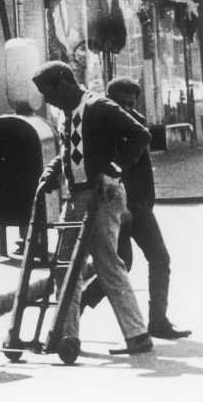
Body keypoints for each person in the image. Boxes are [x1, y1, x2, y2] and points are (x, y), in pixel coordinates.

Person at [32, 61, 153, 363]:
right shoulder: (66, 114)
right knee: (63, 265)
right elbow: (68, 151)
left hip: (103, 196)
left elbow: (140, 134)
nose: (46, 99)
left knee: (106, 262)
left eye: (47, 92)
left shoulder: (99, 106)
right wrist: (51, 171)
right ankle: (67, 335)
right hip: (76, 196)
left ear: (63, 84)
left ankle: (137, 334)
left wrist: (114, 170)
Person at [80, 77, 190, 339]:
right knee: (123, 264)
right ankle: (81, 302)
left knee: (159, 259)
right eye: (122, 103)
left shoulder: (136, 122)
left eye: (131, 103)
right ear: (110, 99)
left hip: (138, 205)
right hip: (118, 204)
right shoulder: (104, 126)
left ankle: (158, 321)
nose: (127, 108)